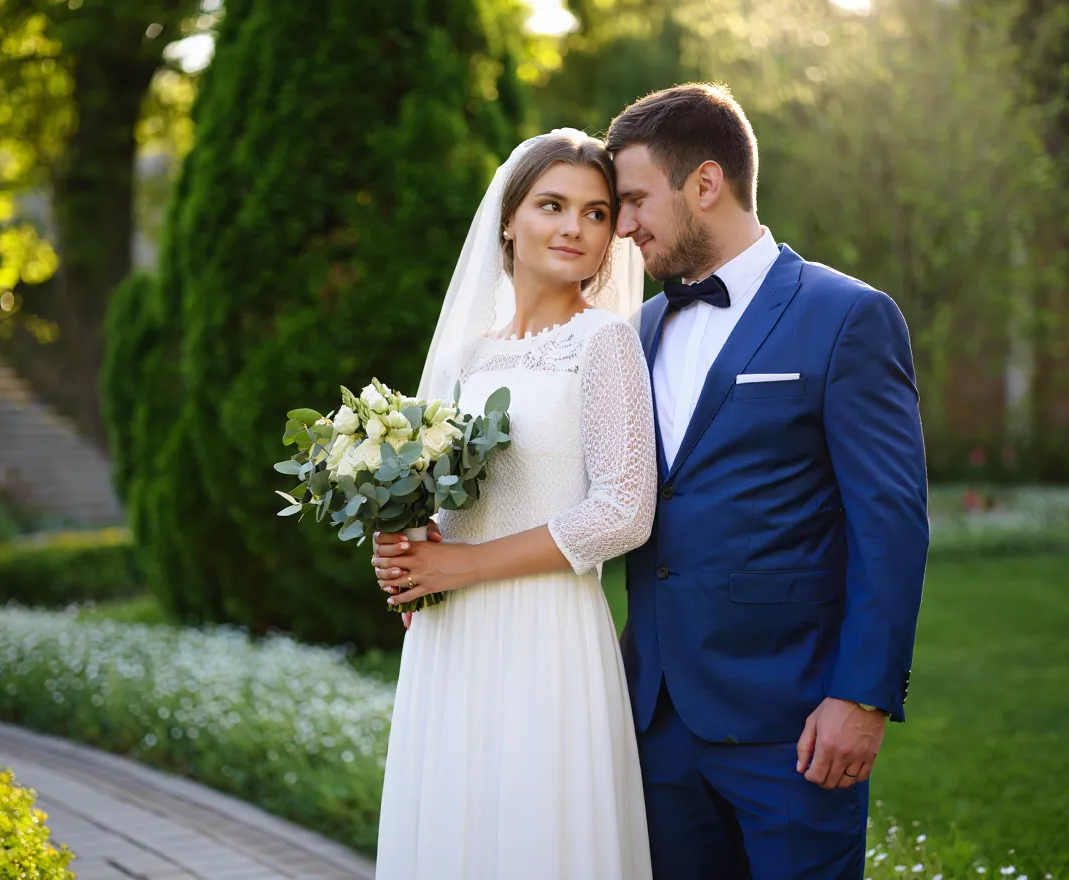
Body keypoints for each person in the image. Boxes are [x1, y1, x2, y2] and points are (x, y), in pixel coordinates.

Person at [609, 83, 930, 879]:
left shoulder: (848, 316)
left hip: (795, 728)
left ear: (706, 184)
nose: (622, 226)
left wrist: (861, 698)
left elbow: (890, 524)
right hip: (656, 723)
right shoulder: (635, 332)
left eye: (635, 200)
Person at [368, 129, 656, 880]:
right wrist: (406, 547)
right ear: (507, 218)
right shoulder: (466, 359)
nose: (574, 227)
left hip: (547, 634)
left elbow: (623, 511)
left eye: (596, 214)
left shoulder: (607, 344)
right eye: (552, 205)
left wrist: (462, 566)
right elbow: (441, 498)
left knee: (539, 839)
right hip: (450, 641)